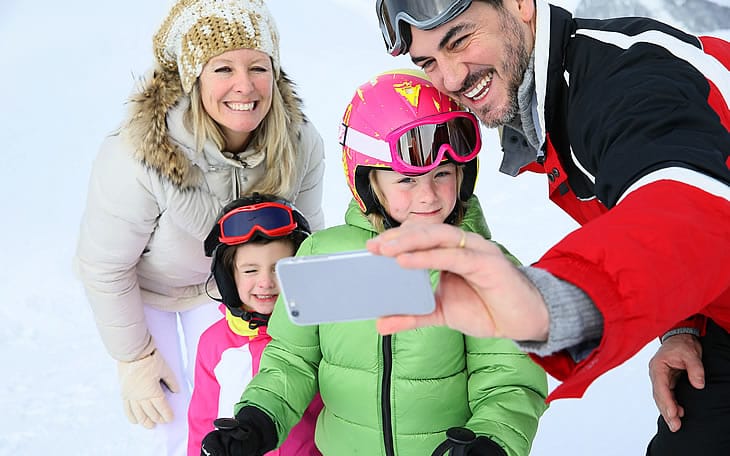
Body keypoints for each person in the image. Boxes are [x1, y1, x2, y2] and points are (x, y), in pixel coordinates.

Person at [370, 0, 730, 454]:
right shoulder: (555, 101)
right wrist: (682, 324)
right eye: (428, 63)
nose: (452, 78)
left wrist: (546, 305)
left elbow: (687, 203)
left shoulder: (625, 78)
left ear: (520, 5)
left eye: (459, 40)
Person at [200, 70, 548, 456]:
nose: (429, 196)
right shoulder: (326, 257)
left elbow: (509, 379)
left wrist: (492, 440)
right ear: (368, 182)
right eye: (406, 180)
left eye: (443, 175)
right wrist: (259, 419)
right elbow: (292, 359)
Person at [74, 0, 325, 454]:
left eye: (258, 67)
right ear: (194, 77)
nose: (244, 86)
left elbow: (308, 246)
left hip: (232, 282)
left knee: (238, 405)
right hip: (147, 288)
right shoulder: (138, 153)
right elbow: (104, 265)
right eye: (223, 68)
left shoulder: (299, 140)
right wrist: (135, 358)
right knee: (164, 419)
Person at [188, 194, 323, 456]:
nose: (266, 282)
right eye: (250, 271)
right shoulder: (213, 344)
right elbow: (202, 422)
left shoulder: (315, 335)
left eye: (279, 268)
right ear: (228, 276)